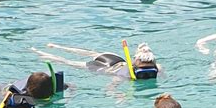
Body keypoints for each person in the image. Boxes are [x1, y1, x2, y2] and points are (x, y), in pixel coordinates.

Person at [30, 41, 160, 81]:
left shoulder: (158, 67)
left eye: (151, 74)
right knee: (68, 62)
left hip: (114, 58)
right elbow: (112, 86)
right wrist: (117, 94)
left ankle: (57, 46)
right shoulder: (125, 75)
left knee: (88, 52)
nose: (147, 78)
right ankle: (39, 52)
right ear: (134, 69)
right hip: (103, 66)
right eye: (142, 74)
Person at [0, 65, 67, 106]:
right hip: (6, 88)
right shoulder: (19, 94)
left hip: (6, 88)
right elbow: (71, 86)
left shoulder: (21, 98)